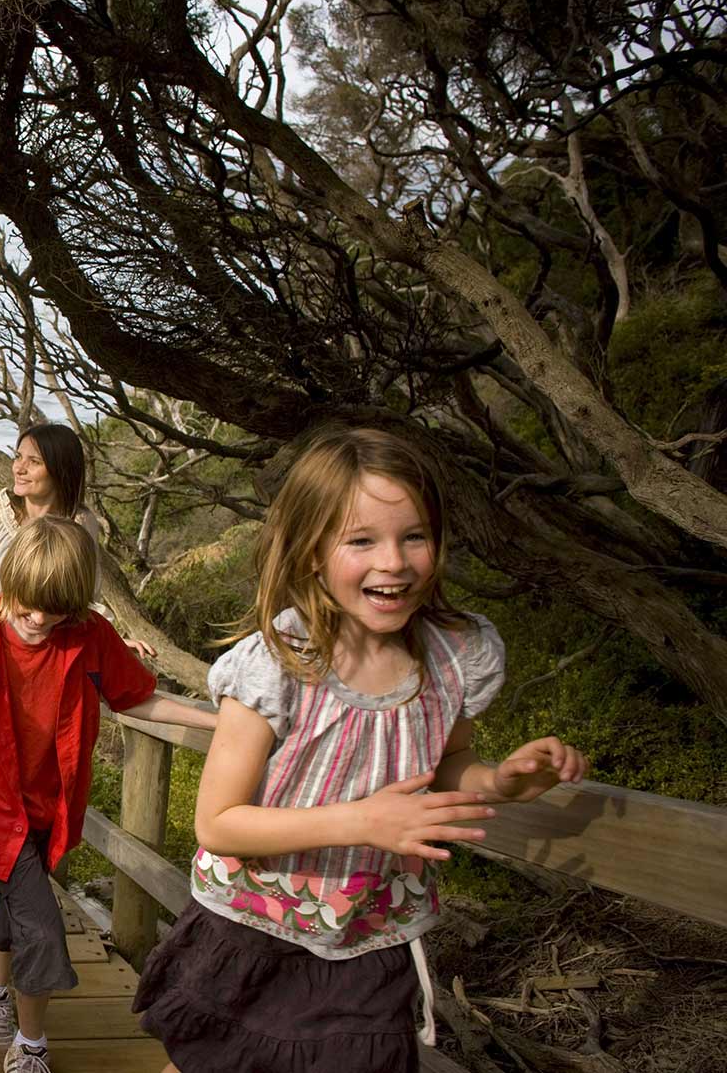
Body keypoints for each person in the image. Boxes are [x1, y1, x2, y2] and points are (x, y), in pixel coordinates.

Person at [131, 426, 588, 1073]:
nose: (394, 562)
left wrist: (503, 782)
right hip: (251, 924)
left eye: (414, 536)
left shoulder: (455, 660)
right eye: (362, 540)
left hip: (372, 938)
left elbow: (450, 765)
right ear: (311, 551)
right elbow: (218, 822)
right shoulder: (276, 666)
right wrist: (364, 820)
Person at [0, 517, 216, 1073]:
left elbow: (135, 699)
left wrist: (217, 723)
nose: (38, 620)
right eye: (27, 606)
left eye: (54, 610)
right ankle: (30, 1047)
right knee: (44, 930)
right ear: (10, 583)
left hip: (53, 804)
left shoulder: (89, 634)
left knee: (14, 903)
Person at [0, 423, 154, 912]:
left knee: (14, 780)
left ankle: (0, 884)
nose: (18, 468)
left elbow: (77, 593)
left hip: (39, 660)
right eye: (17, 456)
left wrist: (108, 632)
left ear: (60, 470)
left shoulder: (80, 525)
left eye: (32, 461)